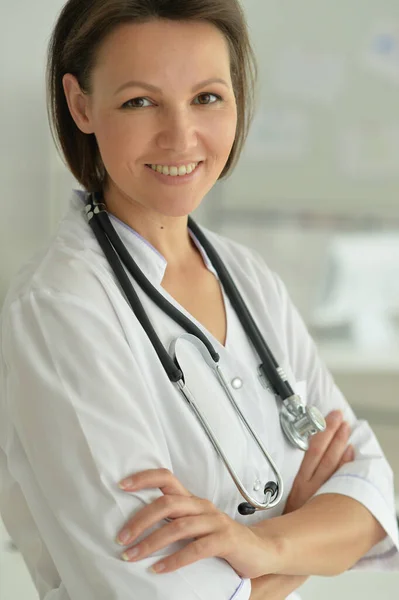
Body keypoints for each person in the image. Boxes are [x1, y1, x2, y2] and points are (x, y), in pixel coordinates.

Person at [0, 1, 398, 599]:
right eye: (140, 101)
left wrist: (262, 547)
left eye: (207, 97)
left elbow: (371, 499)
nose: (181, 135)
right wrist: (303, 535)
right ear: (81, 105)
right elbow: (154, 591)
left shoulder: (248, 277)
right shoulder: (61, 308)